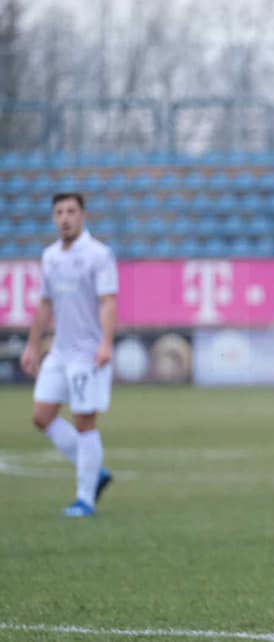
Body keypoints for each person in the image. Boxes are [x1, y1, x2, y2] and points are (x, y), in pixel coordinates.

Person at [19, 193, 117, 518]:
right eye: (59, 212)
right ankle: (95, 470)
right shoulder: (49, 257)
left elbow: (107, 301)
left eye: (71, 211)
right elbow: (45, 304)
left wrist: (105, 343)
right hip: (60, 350)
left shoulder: (99, 255)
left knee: (84, 420)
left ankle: (85, 498)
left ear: (83, 215)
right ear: (53, 218)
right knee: (42, 416)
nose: (65, 217)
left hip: (87, 352)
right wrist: (33, 345)